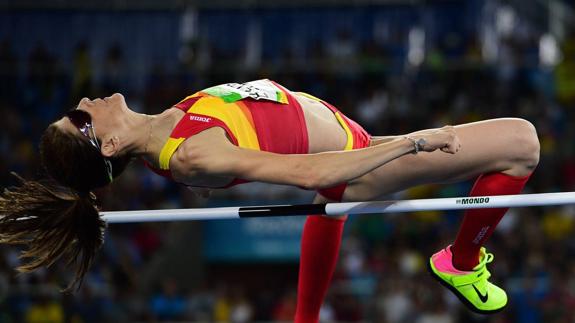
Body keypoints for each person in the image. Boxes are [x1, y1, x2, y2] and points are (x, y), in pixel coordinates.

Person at [0, 79, 539, 320]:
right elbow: (314, 173)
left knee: (332, 205)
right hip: (359, 162)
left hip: (350, 142)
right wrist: (412, 143)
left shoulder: (168, 121)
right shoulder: (193, 155)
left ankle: (306, 320)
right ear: (109, 144)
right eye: (79, 119)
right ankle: (461, 264)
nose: (82, 102)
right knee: (522, 144)